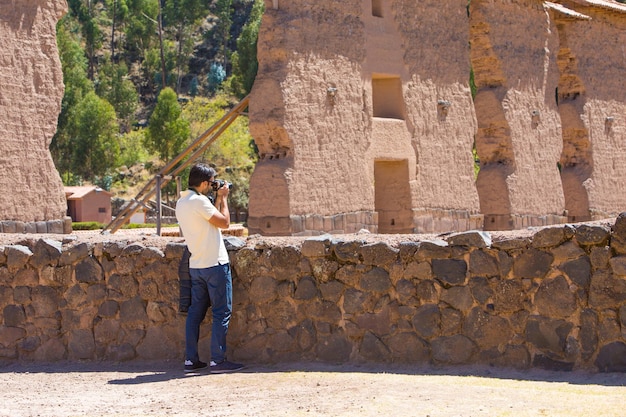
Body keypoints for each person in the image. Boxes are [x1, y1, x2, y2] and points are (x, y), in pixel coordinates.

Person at [175, 163, 244, 373]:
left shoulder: (182, 202)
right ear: (204, 183)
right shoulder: (199, 201)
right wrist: (222, 198)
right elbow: (224, 223)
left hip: (196, 265)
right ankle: (218, 361)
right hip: (215, 264)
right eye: (212, 182)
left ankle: (190, 360)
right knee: (221, 312)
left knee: (195, 313)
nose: (213, 186)